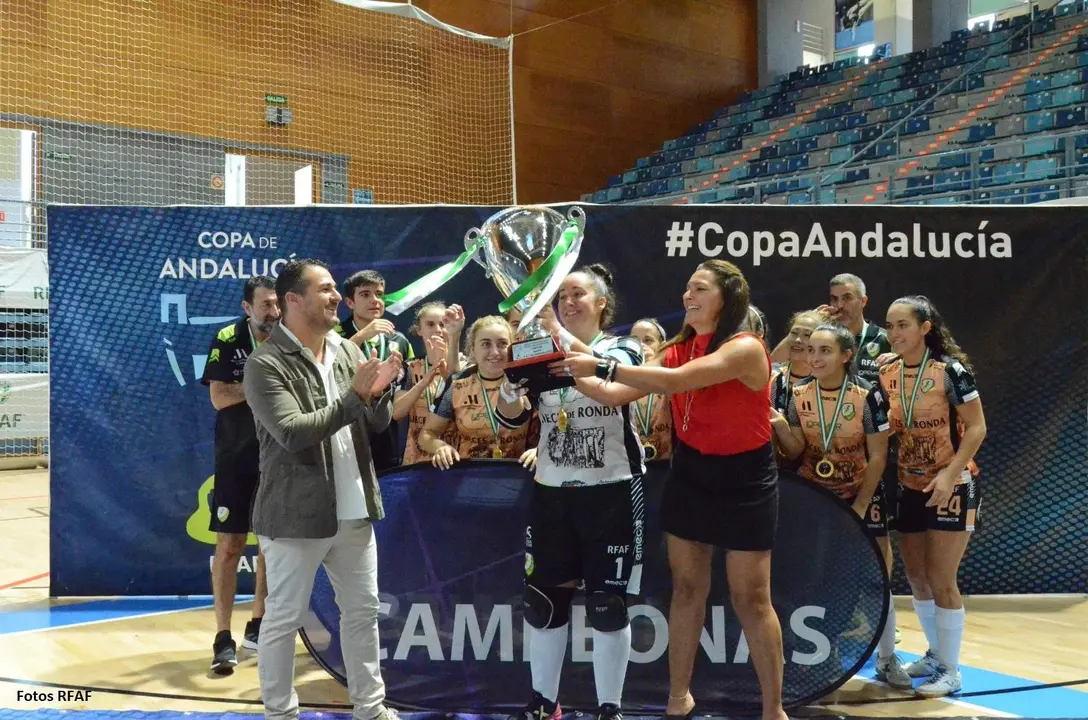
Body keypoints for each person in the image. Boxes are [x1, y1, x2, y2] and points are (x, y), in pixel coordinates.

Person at [556, 259, 787, 720]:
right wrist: (558, 339)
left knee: (752, 597)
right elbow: (618, 394)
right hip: (692, 473)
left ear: (727, 298)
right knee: (686, 589)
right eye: (686, 287)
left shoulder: (746, 348)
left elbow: (677, 381)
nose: (688, 295)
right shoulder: (680, 344)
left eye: (700, 288)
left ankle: (773, 710)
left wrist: (600, 365)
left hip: (746, 479)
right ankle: (678, 699)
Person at [243, 259, 404, 720]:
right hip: (295, 515)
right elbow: (292, 433)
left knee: (363, 613)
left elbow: (376, 422)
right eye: (327, 289)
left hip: (355, 508)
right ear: (294, 300)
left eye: (336, 289)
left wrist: (379, 393)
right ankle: (280, 713)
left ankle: (371, 709)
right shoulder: (265, 363)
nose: (338, 297)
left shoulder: (347, 351)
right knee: (283, 619)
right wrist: (356, 396)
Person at [499, 264, 646, 720]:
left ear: (602, 304)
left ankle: (609, 708)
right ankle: (543, 703)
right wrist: (510, 384)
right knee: (543, 602)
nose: (567, 301)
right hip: (553, 491)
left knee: (607, 605)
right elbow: (511, 419)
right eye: (561, 295)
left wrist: (556, 333)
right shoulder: (544, 348)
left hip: (612, 491)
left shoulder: (624, 348)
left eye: (578, 293)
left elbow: (615, 390)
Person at [769, 323, 911, 689]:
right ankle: (822, 654)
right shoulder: (798, 394)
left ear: (846, 356)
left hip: (860, 495)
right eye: (811, 350)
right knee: (816, 575)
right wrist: (781, 425)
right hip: (815, 498)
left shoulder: (868, 396)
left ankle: (886, 657)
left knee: (874, 576)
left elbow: (879, 456)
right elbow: (797, 450)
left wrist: (861, 505)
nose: (814, 357)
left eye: (824, 351)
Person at [879, 296, 986, 698]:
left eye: (902, 325)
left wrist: (949, 474)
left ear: (925, 327)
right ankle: (937, 653)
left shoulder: (950, 372)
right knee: (917, 577)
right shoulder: (887, 371)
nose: (894, 333)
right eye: (889, 326)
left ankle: (952, 670)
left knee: (942, 578)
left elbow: (977, 428)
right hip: (909, 484)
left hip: (952, 485)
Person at [200, 275, 280, 674]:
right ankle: (222, 637)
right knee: (230, 546)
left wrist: (249, 388)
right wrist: (262, 387)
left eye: (278, 303)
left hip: (278, 458)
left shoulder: (289, 337)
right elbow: (219, 397)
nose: (273, 311)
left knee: (269, 543)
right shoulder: (228, 337)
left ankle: (258, 624)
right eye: (266, 304)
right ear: (248, 308)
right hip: (236, 456)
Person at [417, 315, 532, 464]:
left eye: (502, 344)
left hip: (517, 475)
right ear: (473, 350)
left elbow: (552, 424)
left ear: (513, 347)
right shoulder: (456, 385)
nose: (495, 352)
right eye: (486, 344)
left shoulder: (527, 381)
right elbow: (426, 434)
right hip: (470, 477)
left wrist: (539, 450)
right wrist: (441, 447)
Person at [334, 269, 415, 470]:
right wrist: (362, 336)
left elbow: (408, 384)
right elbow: (327, 366)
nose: (375, 300)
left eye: (379, 294)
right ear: (350, 303)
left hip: (387, 435)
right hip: (346, 431)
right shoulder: (334, 334)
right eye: (365, 294)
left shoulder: (400, 341)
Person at [396, 301, 464, 465]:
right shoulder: (410, 368)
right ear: (419, 330)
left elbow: (454, 379)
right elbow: (397, 413)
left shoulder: (464, 365)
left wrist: (452, 343)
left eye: (443, 324)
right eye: (430, 324)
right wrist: (424, 382)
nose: (438, 329)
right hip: (417, 460)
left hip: (454, 455)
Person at [629, 318, 672, 461]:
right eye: (634, 341)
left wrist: (655, 362)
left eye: (648, 340)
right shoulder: (620, 383)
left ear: (662, 346)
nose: (640, 345)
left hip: (670, 463)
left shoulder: (673, 376)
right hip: (632, 465)